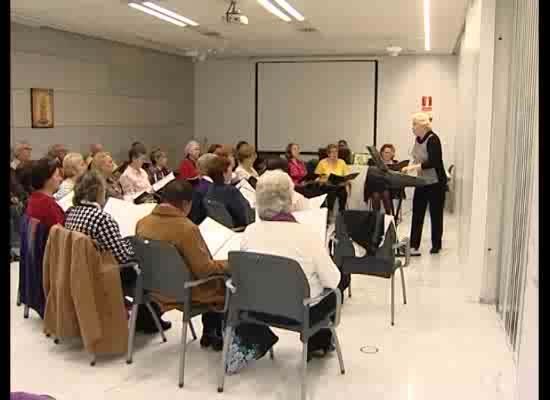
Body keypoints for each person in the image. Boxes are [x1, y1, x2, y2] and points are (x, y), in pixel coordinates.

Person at [241, 170, 341, 361]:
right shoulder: (306, 234)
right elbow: (332, 280)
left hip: (256, 309)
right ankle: (318, 342)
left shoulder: (250, 231)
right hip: (299, 312)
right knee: (335, 286)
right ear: (289, 199)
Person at [64, 170, 170, 333]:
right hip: (107, 273)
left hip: (84, 270)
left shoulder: (72, 213)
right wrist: (135, 249)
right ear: (99, 191)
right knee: (148, 263)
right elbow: (123, 257)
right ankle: (149, 317)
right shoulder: (102, 218)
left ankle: (146, 317)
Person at [136, 179, 227, 348]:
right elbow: (204, 270)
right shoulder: (187, 228)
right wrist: (230, 263)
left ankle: (211, 331)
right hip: (187, 291)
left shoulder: (142, 223)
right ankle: (214, 332)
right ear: (186, 203)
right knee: (225, 281)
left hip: (156, 289)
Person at [402, 112, 447, 255]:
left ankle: (436, 244)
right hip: (422, 182)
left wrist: (413, 168)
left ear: (423, 125)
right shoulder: (417, 139)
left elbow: (433, 162)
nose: (412, 128)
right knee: (417, 212)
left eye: (414, 124)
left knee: (436, 214)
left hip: (436, 183)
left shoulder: (434, 140)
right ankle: (414, 244)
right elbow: (416, 158)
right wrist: (410, 168)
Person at [205, 156, 252, 227]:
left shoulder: (210, 188)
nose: (232, 172)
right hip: (239, 228)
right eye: (230, 169)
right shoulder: (231, 191)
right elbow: (245, 216)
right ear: (224, 173)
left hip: (221, 228)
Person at [25, 158, 65, 230]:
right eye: (57, 175)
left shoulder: (34, 199)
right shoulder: (48, 205)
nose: (61, 179)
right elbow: (60, 236)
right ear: (47, 179)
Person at [315, 143, 350, 214]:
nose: (335, 154)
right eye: (333, 152)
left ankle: (342, 213)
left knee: (343, 193)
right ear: (328, 154)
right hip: (327, 185)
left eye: (336, 152)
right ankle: (329, 213)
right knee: (332, 192)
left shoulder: (342, 162)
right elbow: (316, 178)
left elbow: (347, 176)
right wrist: (322, 180)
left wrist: (346, 181)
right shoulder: (322, 163)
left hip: (339, 186)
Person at [365, 144, 398, 214]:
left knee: (385, 193)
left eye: (389, 152)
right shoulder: (375, 162)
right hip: (376, 187)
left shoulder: (396, 164)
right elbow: (370, 176)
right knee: (376, 195)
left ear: (392, 154)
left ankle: (388, 216)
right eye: (385, 152)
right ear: (382, 153)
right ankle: (377, 216)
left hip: (390, 188)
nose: (387, 154)